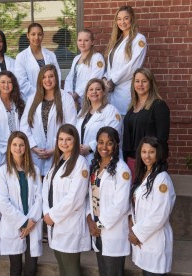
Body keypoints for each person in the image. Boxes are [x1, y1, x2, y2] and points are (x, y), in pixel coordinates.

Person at [43, 124, 91, 276]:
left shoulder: (80, 163)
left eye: (68, 139)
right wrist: (47, 213)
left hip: (69, 225)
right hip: (55, 223)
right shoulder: (59, 160)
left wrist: (52, 216)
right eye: (61, 139)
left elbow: (75, 198)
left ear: (76, 141)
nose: (64, 143)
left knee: (71, 270)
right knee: (63, 269)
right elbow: (47, 191)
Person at [0, 131, 42, 276]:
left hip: (32, 225)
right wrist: (23, 222)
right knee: (15, 268)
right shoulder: (3, 172)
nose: (18, 148)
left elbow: (40, 198)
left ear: (26, 147)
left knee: (31, 269)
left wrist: (31, 221)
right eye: (14, 144)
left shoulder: (35, 170)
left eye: (21, 145)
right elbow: (3, 202)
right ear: (9, 147)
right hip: (14, 225)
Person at [87, 126, 131, 276]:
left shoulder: (122, 170)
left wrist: (99, 224)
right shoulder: (95, 167)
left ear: (116, 145)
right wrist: (90, 220)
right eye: (101, 142)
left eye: (109, 143)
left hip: (112, 231)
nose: (104, 147)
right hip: (97, 229)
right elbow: (91, 196)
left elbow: (121, 205)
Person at [128, 137, 176, 275]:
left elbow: (159, 215)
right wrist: (132, 226)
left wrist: (136, 233)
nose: (147, 156)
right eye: (144, 151)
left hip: (154, 241)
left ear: (158, 154)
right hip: (144, 242)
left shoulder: (162, 179)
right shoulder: (144, 174)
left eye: (151, 152)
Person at [20, 64, 76, 177]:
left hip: (59, 152)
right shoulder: (33, 99)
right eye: (44, 77)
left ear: (56, 78)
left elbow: (71, 127)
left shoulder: (66, 98)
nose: (47, 80)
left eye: (51, 76)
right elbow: (24, 125)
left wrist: (55, 149)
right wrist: (33, 147)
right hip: (36, 153)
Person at [123, 68, 170, 179]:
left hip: (149, 162)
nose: (140, 84)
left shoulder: (158, 105)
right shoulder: (132, 107)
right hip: (131, 161)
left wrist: (155, 163)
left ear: (151, 83)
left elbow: (162, 138)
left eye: (144, 81)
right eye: (137, 81)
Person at [103, 6, 147, 115]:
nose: (122, 22)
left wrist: (113, 81)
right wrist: (104, 79)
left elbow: (134, 66)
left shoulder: (139, 39)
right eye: (119, 19)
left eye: (125, 18)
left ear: (132, 19)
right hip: (111, 92)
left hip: (125, 91)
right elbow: (111, 67)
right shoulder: (117, 41)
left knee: (124, 124)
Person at [76, 78, 122, 164]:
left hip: (103, 158)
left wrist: (90, 147)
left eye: (98, 89)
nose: (94, 92)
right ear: (87, 94)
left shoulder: (111, 111)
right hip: (82, 159)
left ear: (104, 92)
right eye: (91, 89)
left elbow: (113, 135)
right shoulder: (82, 113)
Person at [15, 22, 61, 101]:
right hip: (31, 99)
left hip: (51, 98)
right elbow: (22, 82)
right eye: (33, 34)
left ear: (43, 35)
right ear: (28, 35)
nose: (36, 37)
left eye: (39, 34)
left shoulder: (51, 55)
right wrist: (41, 95)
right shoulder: (21, 57)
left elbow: (57, 76)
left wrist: (50, 94)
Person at [64, 29, 105, 109]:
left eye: (86, 40)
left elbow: (93, 81)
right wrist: (70, 95)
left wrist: (76, 95)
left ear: (92, 42)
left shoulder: (97, 58)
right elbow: (69, 78)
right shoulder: (76, 58)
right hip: (73, 101)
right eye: (80, 40)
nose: (82, 43)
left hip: (87, 100)